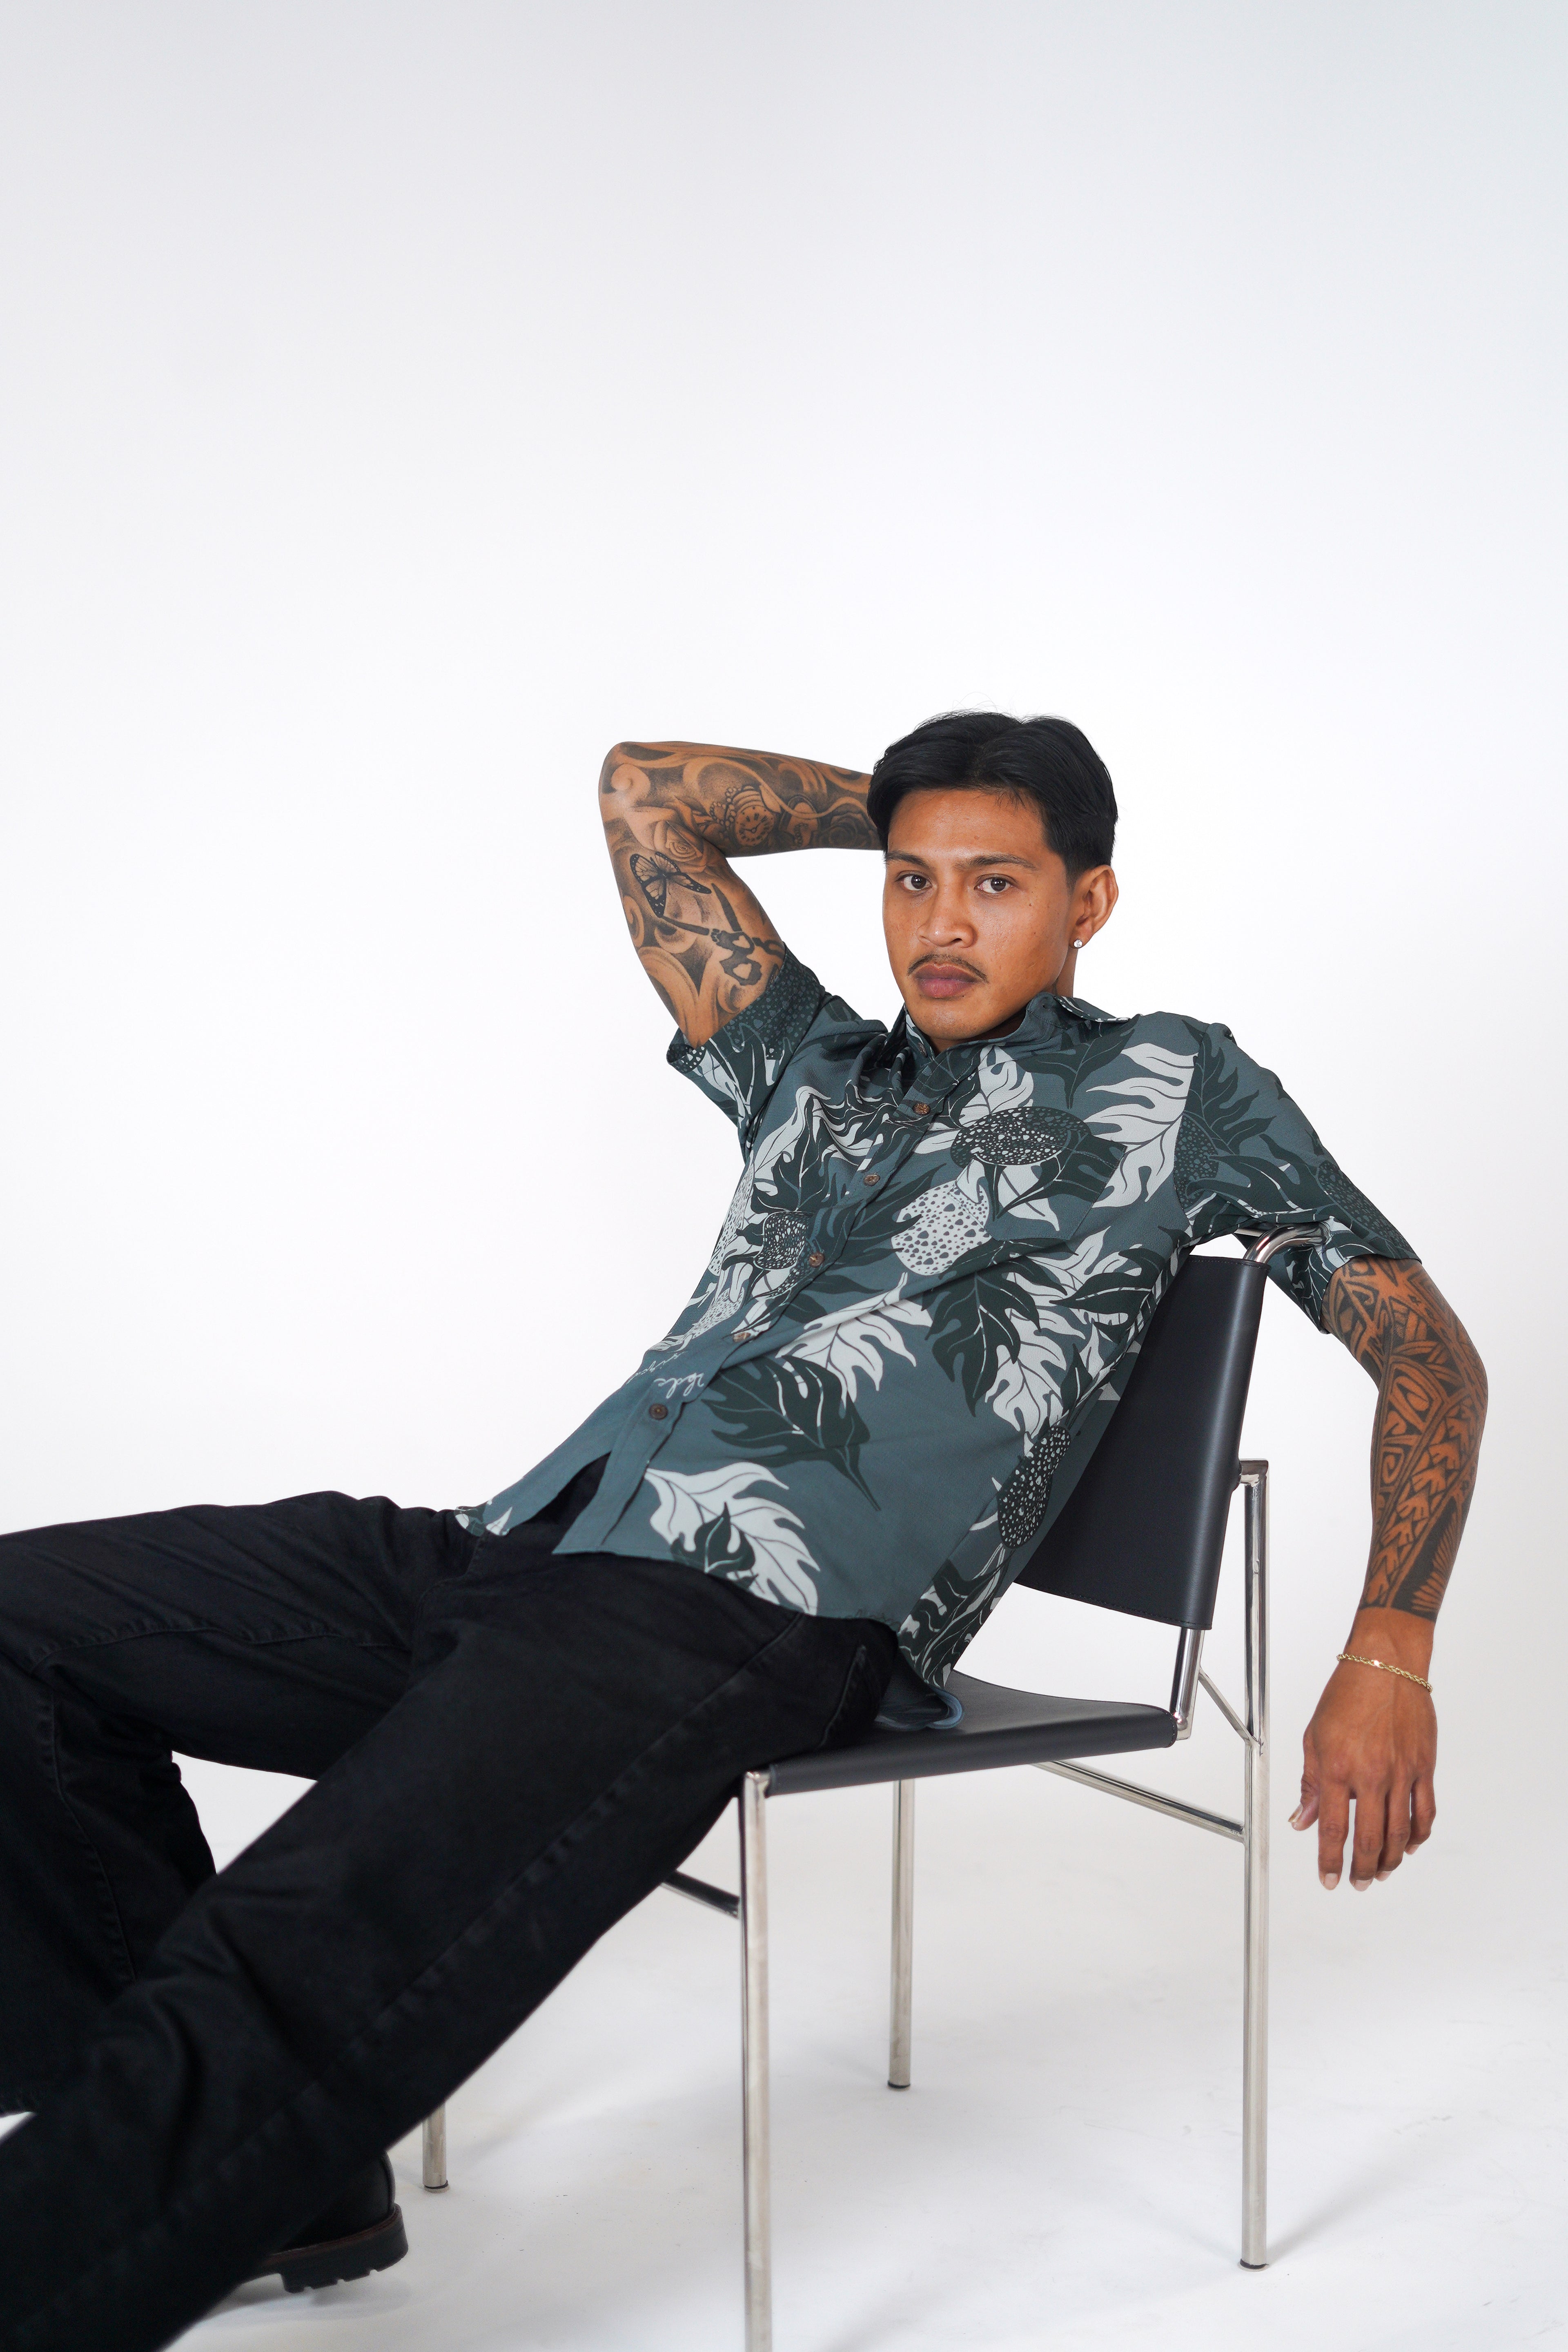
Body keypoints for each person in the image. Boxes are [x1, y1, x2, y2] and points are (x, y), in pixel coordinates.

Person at [0, 714, 1486, 2350]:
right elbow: (645, 790)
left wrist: (1390, 1647)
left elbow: (1429, 1352)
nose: (940, 922)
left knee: (315, 1925)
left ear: (1092, 903)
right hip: (528, 1545)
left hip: (745, 1616)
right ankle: (268, 2181)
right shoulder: (808, 1061)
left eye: (997, 884)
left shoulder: (1178, 1088)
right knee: (25, 1623)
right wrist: (902, 812)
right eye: (913, 880)